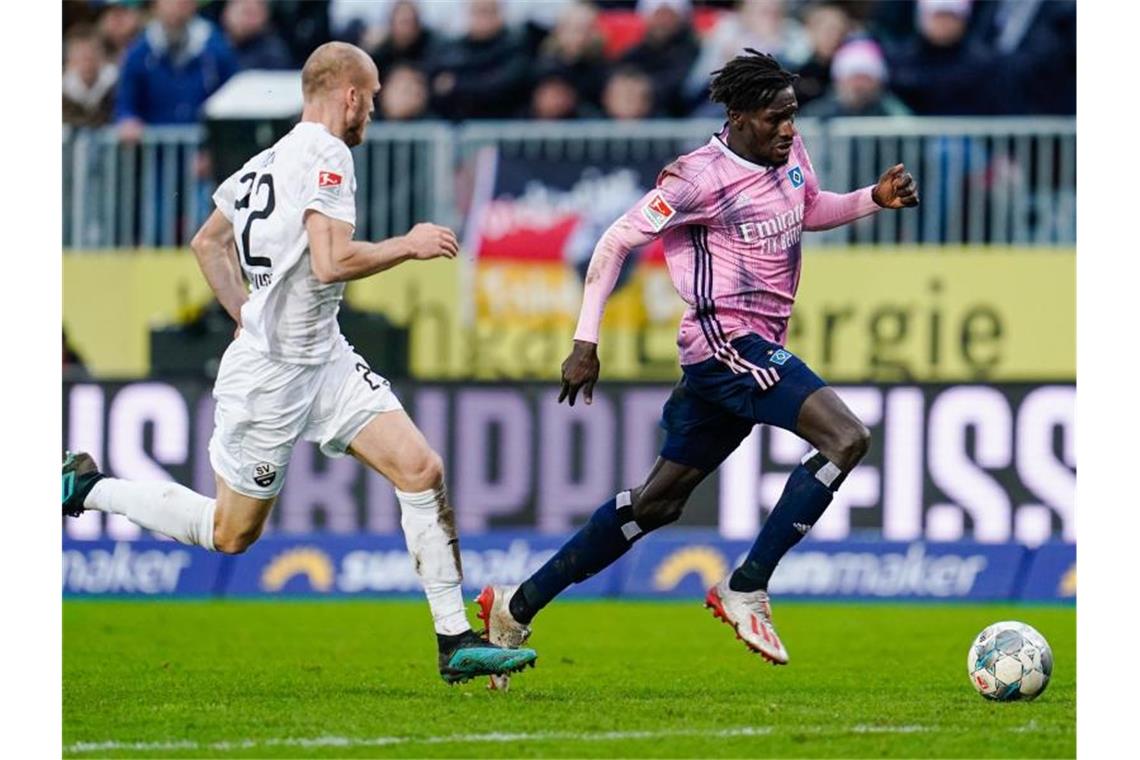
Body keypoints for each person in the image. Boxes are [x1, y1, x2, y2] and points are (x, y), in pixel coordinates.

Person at [62, 42, 537, 686]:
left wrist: (244, 311)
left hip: (324, 356)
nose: (371, 110)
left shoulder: (268, 159)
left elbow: (209, 243)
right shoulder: (327, 152)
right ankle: (89, 488)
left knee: (420, 469)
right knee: (231, 534)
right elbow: (329, 262)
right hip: (272, 378)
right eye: (368, 98)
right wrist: (410, 245)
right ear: (348, 95)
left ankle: (454, 640)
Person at [477, 49, 918, 688]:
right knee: (846, 438)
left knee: (655, 505)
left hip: (747, 349)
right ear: (738, 118)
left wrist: (872, 199)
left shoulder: (787, 154)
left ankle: (514, 609)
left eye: (793, 116)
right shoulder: (695, 180)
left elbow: (808, 209)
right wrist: (585, 340)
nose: (790, 129)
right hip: (725, 344)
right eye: (776, 118)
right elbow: (615, 241)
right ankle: (748, 586)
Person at [114, 0, 238, 140]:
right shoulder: (139, 52)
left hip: (203, 149)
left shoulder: (215, 48)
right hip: (155, 153)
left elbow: (231, 100)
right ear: (156, 5)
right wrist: (128, 120)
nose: (177, 5)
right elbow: (126, 101)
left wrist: (214, 149)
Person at [800, 38, 910, 119]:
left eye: (865, 78)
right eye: (853, 77)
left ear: (878, 82)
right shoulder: (817, 112)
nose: (858, 85)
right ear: (839, 80)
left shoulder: (892, 112)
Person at [63, 24, 119, 128]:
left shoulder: (118, 87)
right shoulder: (63, 95)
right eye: (81, 56)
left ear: (103, 57)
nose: (87, 62)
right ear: (69, 61)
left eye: (92, 54)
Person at [221, 0, 294, 71]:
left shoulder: (272, 53)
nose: (247, 20)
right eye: (244, 12)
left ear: (265, 16)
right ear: (226, 13)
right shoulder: (215, 43)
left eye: (251, 13)